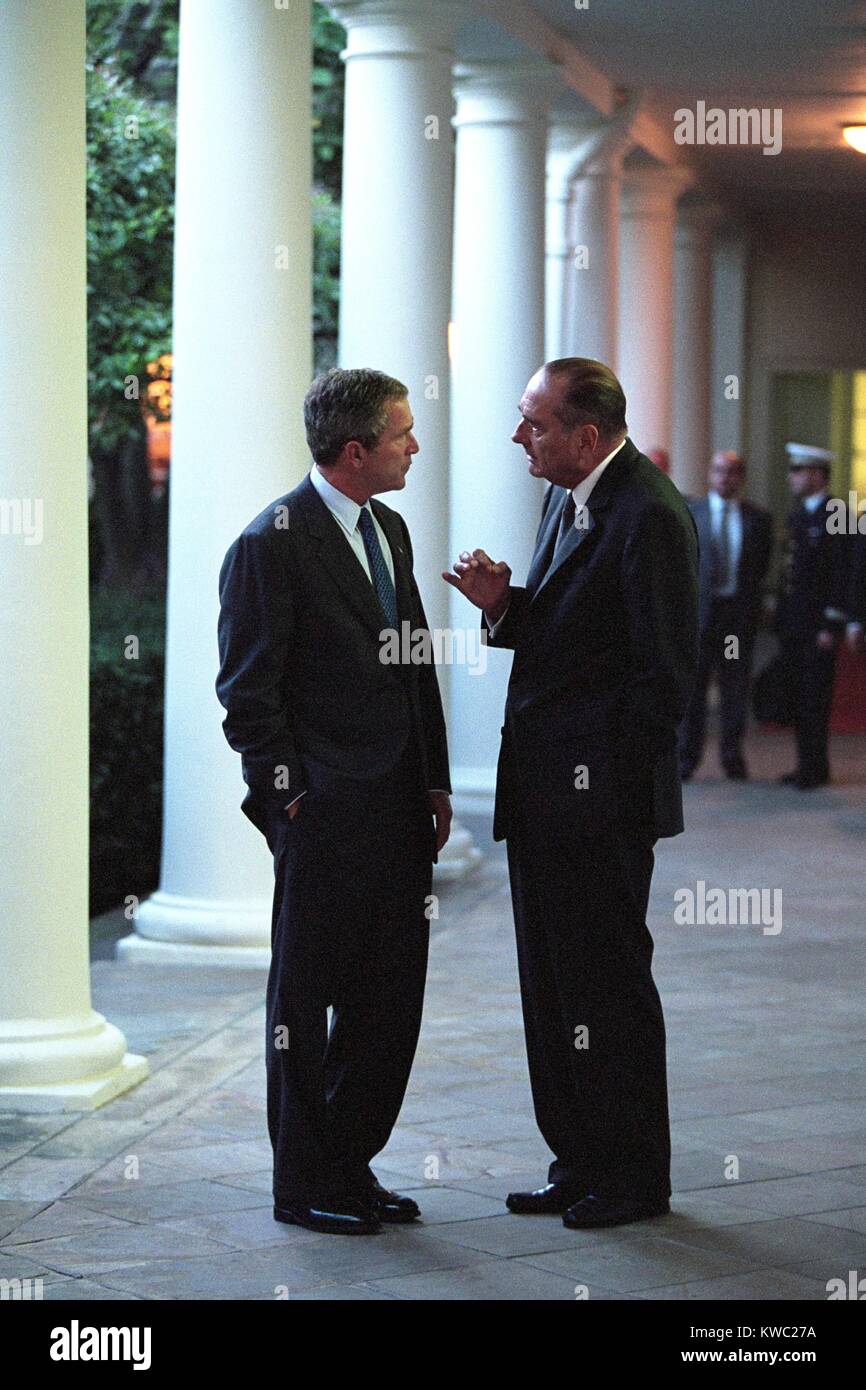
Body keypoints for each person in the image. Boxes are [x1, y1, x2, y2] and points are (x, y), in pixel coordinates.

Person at [444, 358, 699, 1230]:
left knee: (608, 994)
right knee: (553, 991)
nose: (520, 436)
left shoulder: (651, 515)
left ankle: (632, 1178)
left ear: (584, 436)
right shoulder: (568, 496)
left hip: (599, 808)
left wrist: (599, 794)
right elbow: (573, 640)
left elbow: (660, 681)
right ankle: (579, 1159)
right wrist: (503, 606)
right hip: (546, 797)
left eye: (534, 423)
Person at [216, 368, 452, 1236]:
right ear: (356, 451)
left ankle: (349, 1166)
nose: (414, 448)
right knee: (304, 1007)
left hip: (398, 808)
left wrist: (433, 776)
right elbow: (249, 694)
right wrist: (288, 805)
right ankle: (304, 1182)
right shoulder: (269, 542)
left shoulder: (388, 527)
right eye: (403, 435)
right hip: (323, 816)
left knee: (389, 1000)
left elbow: (413, 661)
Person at [678, 451, 773, 780]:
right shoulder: (692, 512)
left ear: (741, 478)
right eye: (719, 470)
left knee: (735, 688)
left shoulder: (758, 519)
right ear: (709, 474)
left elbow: (759, 569)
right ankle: (686, 758)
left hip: (737, 615)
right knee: (694, 690)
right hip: (700, 615)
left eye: (732, 472)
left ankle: (732, 758)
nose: (725, 477)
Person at [775, 443, 849, 790]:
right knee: (800, 697)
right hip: (796, 623)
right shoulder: (800, 514)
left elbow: (842, 574)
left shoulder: (836, 513)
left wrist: (831, 624)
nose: (791, 477)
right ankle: (807, 764)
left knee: (815, 698)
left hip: (818, 625)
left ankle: (815, 768)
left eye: (798, 471)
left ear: (817, 475)